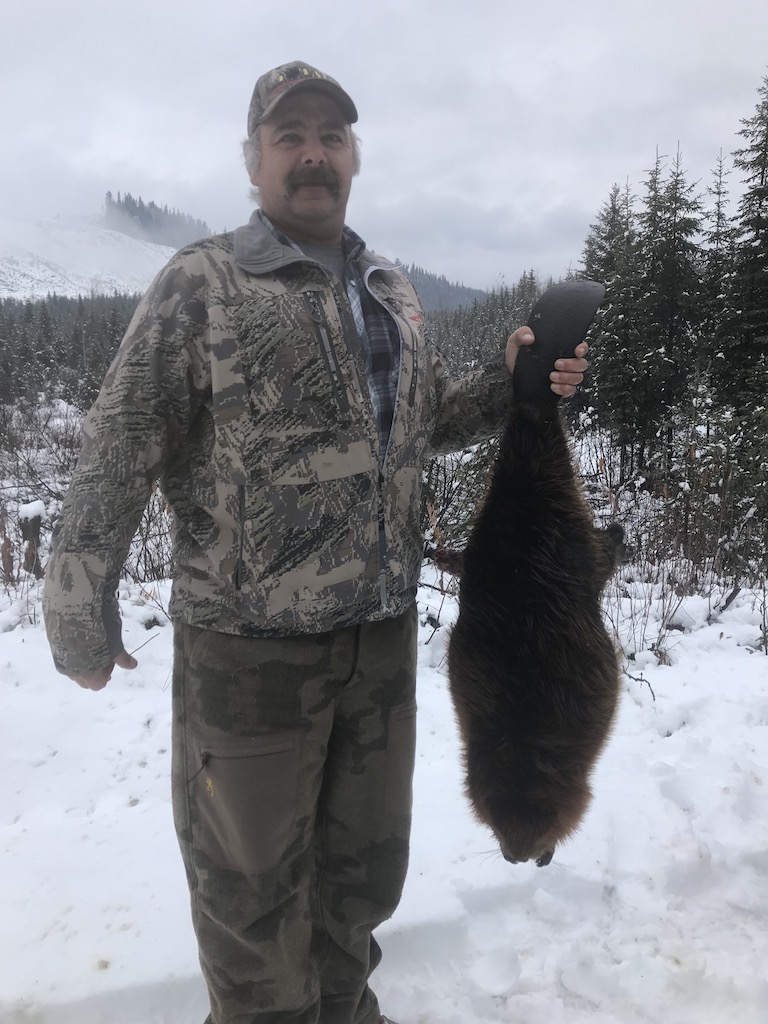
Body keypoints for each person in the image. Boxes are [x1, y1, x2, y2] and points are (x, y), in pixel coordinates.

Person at [43, 61, 589, 1024]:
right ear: (253, 160)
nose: (311, 154)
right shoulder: (202, 281)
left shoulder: (389, 289)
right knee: (252, 903)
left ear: (355, 157)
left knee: (360, 886)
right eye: (288, 136)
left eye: (331, 136)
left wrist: (514, 382)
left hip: (378, 645)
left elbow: (413, 426)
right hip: (251, 655)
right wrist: (77, 611)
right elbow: (121, 441)